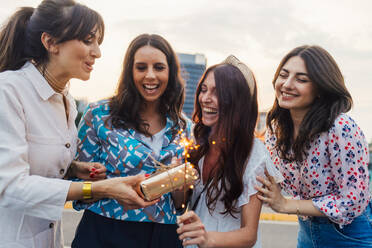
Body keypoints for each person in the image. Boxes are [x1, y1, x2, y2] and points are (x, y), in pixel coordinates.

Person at [0, 1, 153, 247]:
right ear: (50, 43)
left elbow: (36, 163)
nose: (97, 52)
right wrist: (101, 189)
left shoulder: (68, 103)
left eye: (98, 43)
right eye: (88, 40)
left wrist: (72, 169)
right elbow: (9, 186)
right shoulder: (8, 90)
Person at [71, 33, 193, 248]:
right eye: (141, 67)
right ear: (130, 71)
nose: (150, 75)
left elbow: (179, 203)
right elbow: (78, 187)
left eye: (159, 67)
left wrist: (179, 182)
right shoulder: (98, 115)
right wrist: (107, 186)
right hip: (105, 231)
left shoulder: (184, 127)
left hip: (164, 236)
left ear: (170, 72)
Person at [255, 45, 372, 247]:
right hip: (307, 233)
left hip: (351, 235)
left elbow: (353, 201)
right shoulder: (276, 130)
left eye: (301, 79)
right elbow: (272, 179)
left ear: (320, 88)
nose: (287, 84)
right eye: (284, 75)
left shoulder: (340, 128)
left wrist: (285, 204)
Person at [176, 55, 283, 248]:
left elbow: (249, 235)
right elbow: (182, 203)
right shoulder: (195, 142)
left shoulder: (255, 156)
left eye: (217, 92)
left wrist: (208, 238)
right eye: (203, 89)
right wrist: (177, 184)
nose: (205, 99)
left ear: (236, 101)